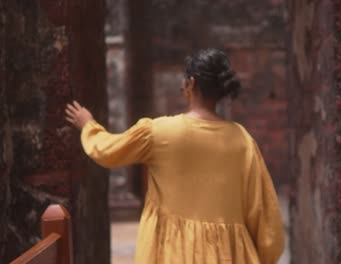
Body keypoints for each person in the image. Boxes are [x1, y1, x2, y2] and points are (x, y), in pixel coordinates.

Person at [65, 48, 285, 264]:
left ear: (190, 83)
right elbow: (266, 222)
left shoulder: (160, 132)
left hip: (171, 254)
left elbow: (107, 151)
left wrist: (88, 125)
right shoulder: (242, 141)